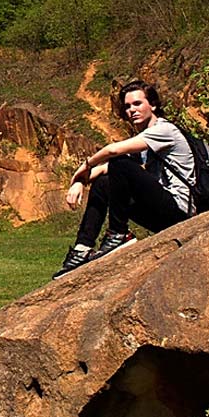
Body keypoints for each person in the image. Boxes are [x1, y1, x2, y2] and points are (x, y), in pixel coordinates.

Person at [54, 79, 195, 278]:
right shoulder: (144, 142)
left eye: (137, 104)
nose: (131, 110)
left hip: (180, 212)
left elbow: (113, 151)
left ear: (152, 105)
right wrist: (79, 181)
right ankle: (82, 248)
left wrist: (85, 166)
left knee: (118, 162)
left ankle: (118, 234)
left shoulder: (165, 131)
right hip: (161, 213)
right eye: (127, 106)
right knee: (105, 182)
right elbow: (104, 170)